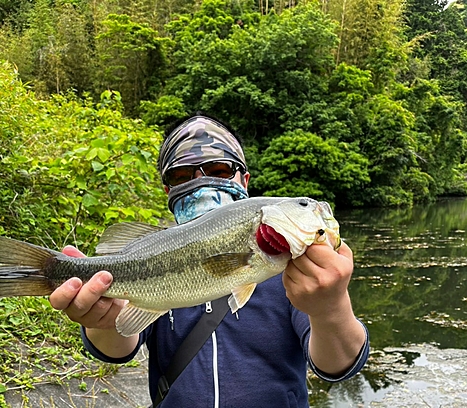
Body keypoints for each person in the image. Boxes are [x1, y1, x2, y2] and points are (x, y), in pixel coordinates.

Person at [49, 113, 369, 407]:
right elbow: (116, 347)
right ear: (167, 189)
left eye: (219, 170)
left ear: (244, 180)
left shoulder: (297, 270)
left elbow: (337, 366)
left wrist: (330, 308)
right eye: (182, 175)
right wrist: (101, 319)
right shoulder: (155, 249)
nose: (201, 182)